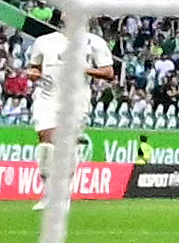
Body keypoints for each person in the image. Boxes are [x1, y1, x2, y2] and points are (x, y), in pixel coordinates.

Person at [22, 8, 112, 157]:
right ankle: (46, 172)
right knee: (46, 142)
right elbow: (35, 68)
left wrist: (83, 69)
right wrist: (33, 74)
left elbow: (108, 72)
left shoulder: (95, 42)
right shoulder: (44, 41)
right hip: (48, 97)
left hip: (76, 99)